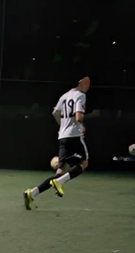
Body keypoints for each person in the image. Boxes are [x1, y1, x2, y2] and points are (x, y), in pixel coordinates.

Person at [24, 76, 90, 210]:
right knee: (84, 162)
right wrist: (81, 125)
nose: (88, 85)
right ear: (80, 83)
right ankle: (59, 183)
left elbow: (55, 113)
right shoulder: (80, 96)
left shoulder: (64, 96)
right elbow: (78, 116)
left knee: (60, 172)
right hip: (75, 135)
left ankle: (32, 193)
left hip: (63, 137)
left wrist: (63, 126)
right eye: (87, 82)